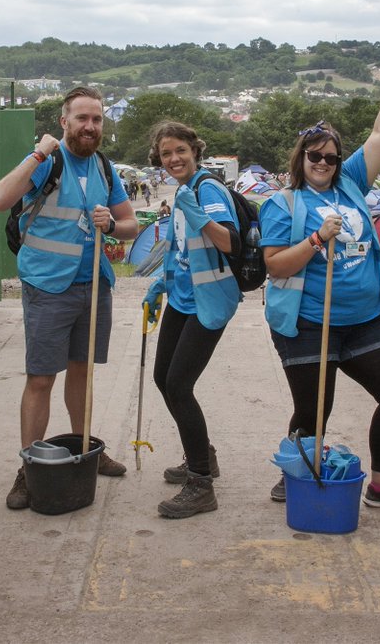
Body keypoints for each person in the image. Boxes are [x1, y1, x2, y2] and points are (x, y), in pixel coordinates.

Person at [259, 45, 380, 512]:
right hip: (308, 322)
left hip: (363, 318)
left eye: (331, 157)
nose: (324, 163)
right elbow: (275, 266)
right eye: (315, 155)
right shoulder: (283, 204)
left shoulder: (350, 181)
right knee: (314, 410)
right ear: (301, 157)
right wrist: (316, 239)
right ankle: (296, 472)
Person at [0, 86, 139, 511]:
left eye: (97, 119)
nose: (90, 126)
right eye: (82, 118)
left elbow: (131, 225)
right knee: (41, 379)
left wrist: (112, 225)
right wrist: (38, 153)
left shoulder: (104, 167)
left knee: (82, 373)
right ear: (64, 122)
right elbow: (0, 199)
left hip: (93, 285)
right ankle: (29, 467)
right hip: (48, 286)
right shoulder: (48, 161)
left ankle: (85, 448)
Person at [142, 121, 242, 519]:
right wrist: (161, 284)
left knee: (179, 385)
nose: (174, 158)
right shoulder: (183, 190)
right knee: (162, 377)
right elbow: (181, 250)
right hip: (182, 300)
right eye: (166, 153)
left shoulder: (206, 189)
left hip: (208, 302)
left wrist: (199, 216)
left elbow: (229, 242)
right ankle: (203, 454)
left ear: (195, 151)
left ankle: (201, 483)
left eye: (180, 150)